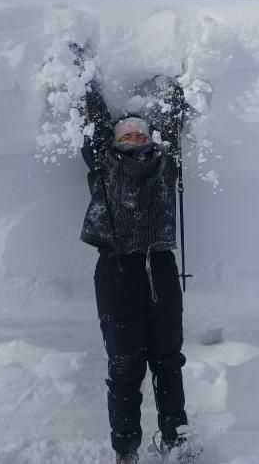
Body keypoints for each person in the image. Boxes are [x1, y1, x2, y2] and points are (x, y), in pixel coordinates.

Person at [79, 77, 192, 463]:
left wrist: (174, 89)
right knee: (125, 366)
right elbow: (92, 122)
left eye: (140, 131)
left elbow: (174, 124)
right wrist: (83, 76)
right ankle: (126, 452)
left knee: (168, 361)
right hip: (116, 270)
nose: (132, 134)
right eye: (124, 131)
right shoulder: (102, 163)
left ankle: (177, 440)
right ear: (113, 139)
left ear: (149, 138)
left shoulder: (164, 164)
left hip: (160, 266)